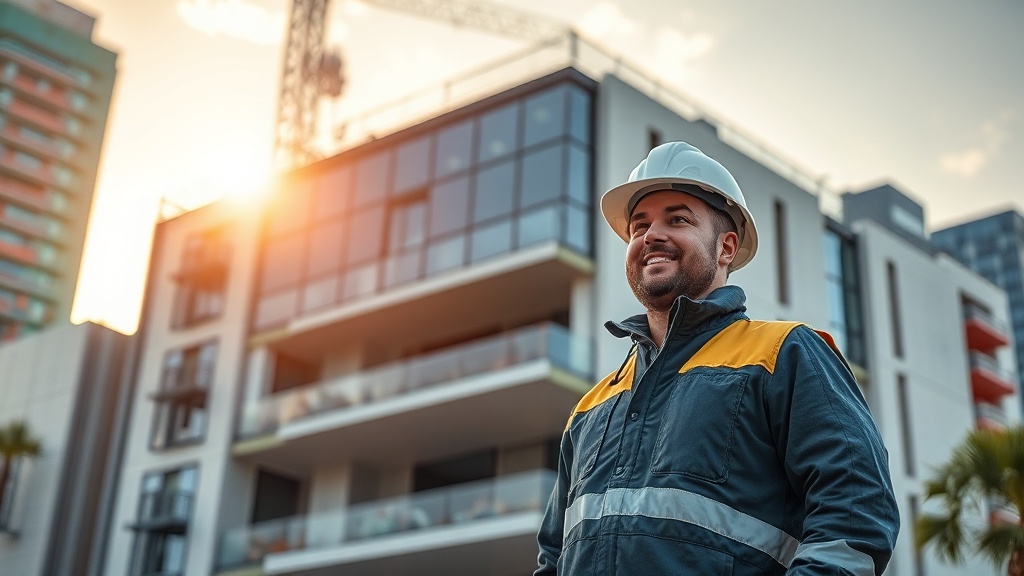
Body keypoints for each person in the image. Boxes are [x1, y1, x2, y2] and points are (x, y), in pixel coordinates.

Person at [535, 142, 899, 575]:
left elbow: (856, 513)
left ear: (726, 248)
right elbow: (553, 555)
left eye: (678, 219)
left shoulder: (784, 354)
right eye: (639, 226)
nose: (651, 235)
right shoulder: (592, 406)